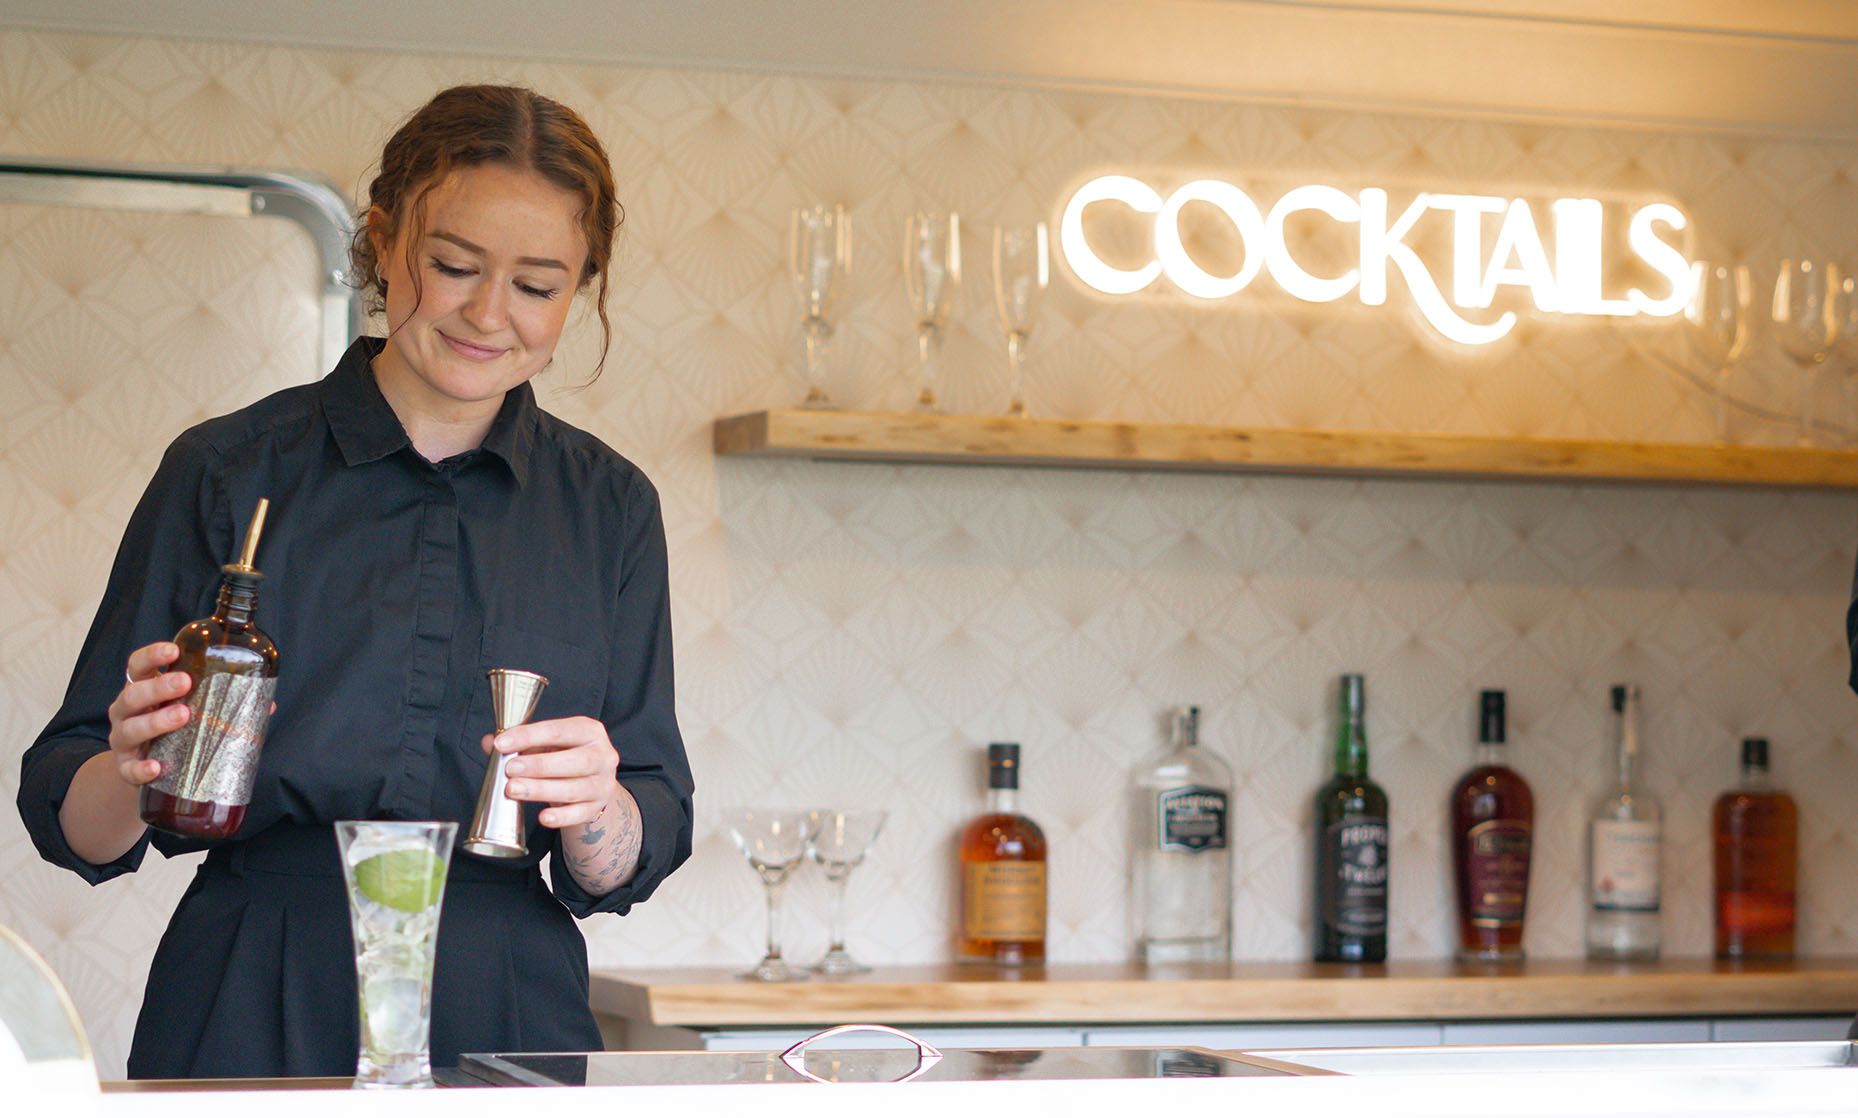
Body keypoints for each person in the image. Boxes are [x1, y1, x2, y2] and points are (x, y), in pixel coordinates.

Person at [15, 84, 694, 1079]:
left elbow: (643, 826)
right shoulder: (225, 471)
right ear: (381, 241)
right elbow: (70, 816)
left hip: (506, 1000)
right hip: (255, 984)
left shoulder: (612, 508)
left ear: (582, 286)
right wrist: (130, 766)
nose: (486, 313)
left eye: (538, 285)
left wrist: (599, 806)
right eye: (453, 265)